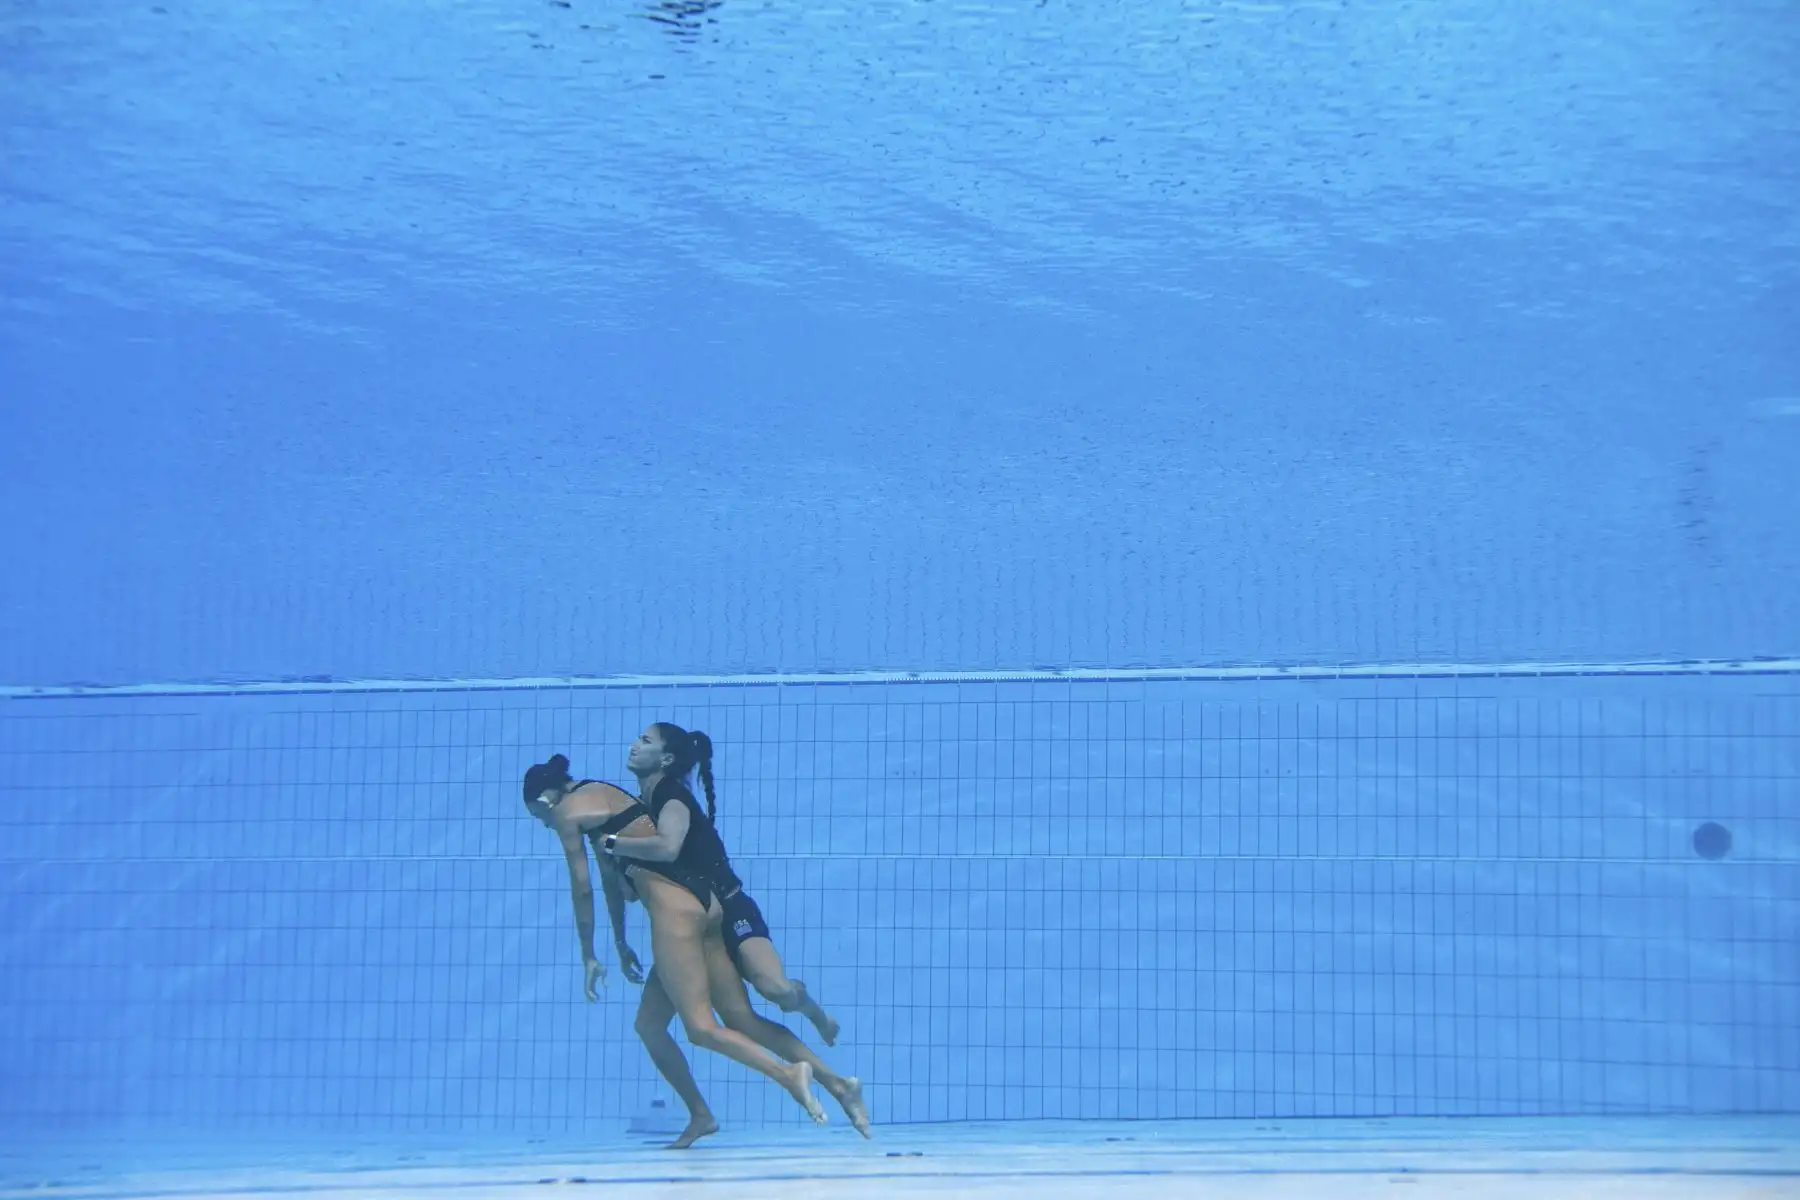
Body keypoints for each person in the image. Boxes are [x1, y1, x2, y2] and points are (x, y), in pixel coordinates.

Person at [521, 753, 827, 1129]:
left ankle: (788, 1074)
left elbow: (581, 890)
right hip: (705, 904)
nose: (549, 827)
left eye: (541, 821)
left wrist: (589, 955)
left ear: (543, 801)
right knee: (665, 1022)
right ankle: (703, 1114)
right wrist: (619, 941)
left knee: (701, 1028)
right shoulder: (603, 798)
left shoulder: (568, 813)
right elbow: (612, 886)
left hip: (676, 915)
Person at [601, 723, 871, 1145]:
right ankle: (837, 1085)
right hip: (696, 924)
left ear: (667, 759)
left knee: (776, 990)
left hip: (731, 908)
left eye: (646, 741)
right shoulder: (644, 805)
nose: (634, 745)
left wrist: (614, 845)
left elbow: (669, 847)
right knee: (725, 1020)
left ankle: (815, 1013)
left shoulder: (670, 796)